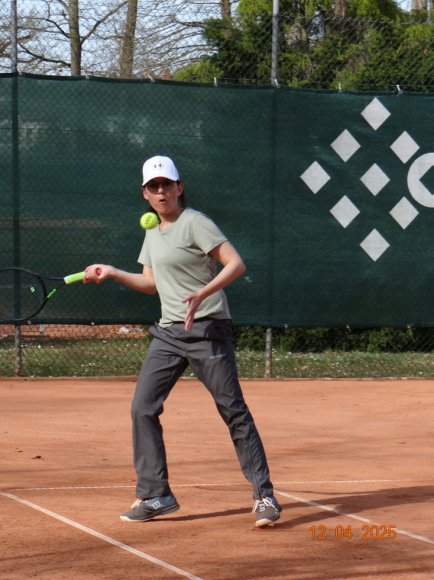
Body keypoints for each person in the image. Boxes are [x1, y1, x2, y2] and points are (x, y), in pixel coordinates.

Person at [84, 155, 281, 527]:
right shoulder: (152, 231)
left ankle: (264, 496)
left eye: (166, 185)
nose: (161, 192)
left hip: (207, 329)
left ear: (179, 188)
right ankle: (156, 495)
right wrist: (111, 272)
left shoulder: (195, 223)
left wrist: (204, 293)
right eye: (153, 186)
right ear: (145, 193)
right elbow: (151, 283)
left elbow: (235, 264)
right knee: (142, 408)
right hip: (169, 333)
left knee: (232, 410)